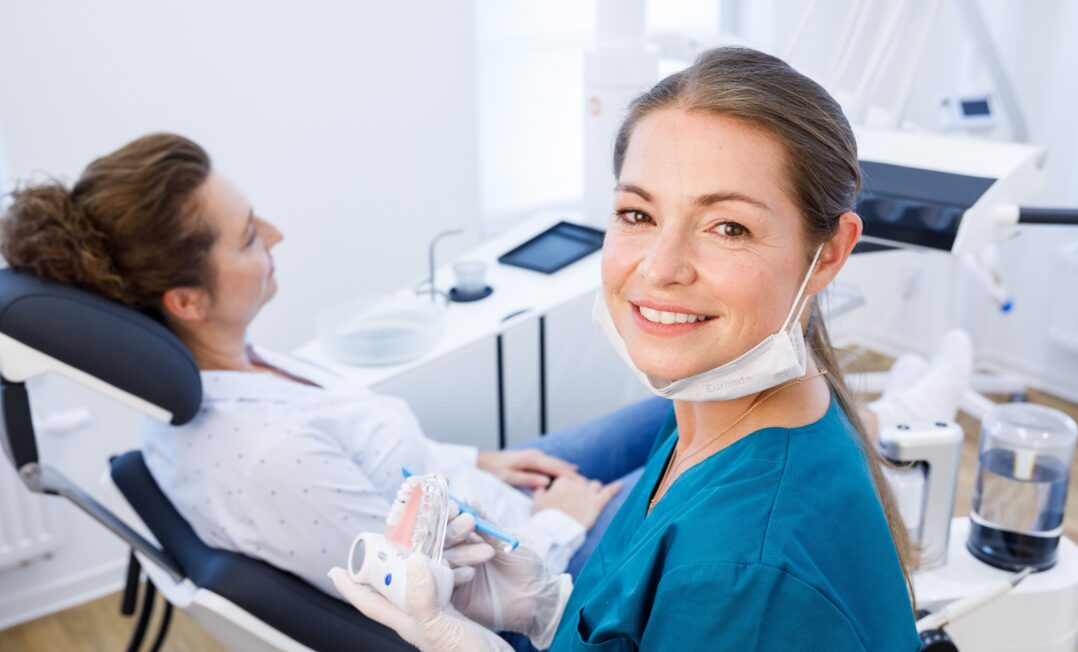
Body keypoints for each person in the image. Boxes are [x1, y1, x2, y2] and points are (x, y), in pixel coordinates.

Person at [330, 46, 924, 652]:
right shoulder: (707, 406)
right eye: (638, 214)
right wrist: (550, 609)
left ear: (829, 254)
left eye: (727, 227)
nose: (660, 268)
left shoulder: (745, 573)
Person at [0, 132, 648, 596]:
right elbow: (435, 597)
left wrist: (477, 461)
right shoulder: (266, 455)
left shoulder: (229, 367)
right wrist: (561, 519)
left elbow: (386, 467)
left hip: (480, 496)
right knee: (727, 465)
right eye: (250, 235)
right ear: (186, 300)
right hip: (534, 576)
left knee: (673, 411)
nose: (276, 235)